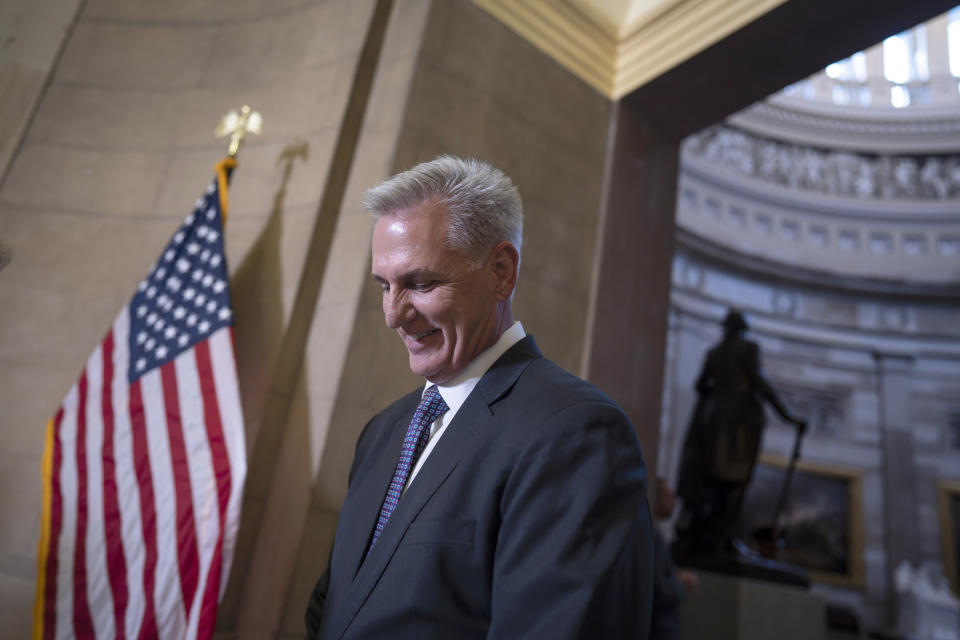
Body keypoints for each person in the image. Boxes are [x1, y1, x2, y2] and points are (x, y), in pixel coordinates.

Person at [305, 156, 654, 639]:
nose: (392, 315)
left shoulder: (576, 433)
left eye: (420, 283)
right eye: (384, 286)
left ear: (501, 273)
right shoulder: (383, 431)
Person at [673, 309, 806, 558]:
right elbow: (759, 382)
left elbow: (700, 385)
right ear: (742, 329)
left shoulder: (713, 354)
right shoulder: (748, 349)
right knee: (734, 484)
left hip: (711, 422)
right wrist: (788, 416)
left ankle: (708, 538)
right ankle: (723, 540)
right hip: (740, 424)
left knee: (713, 482)